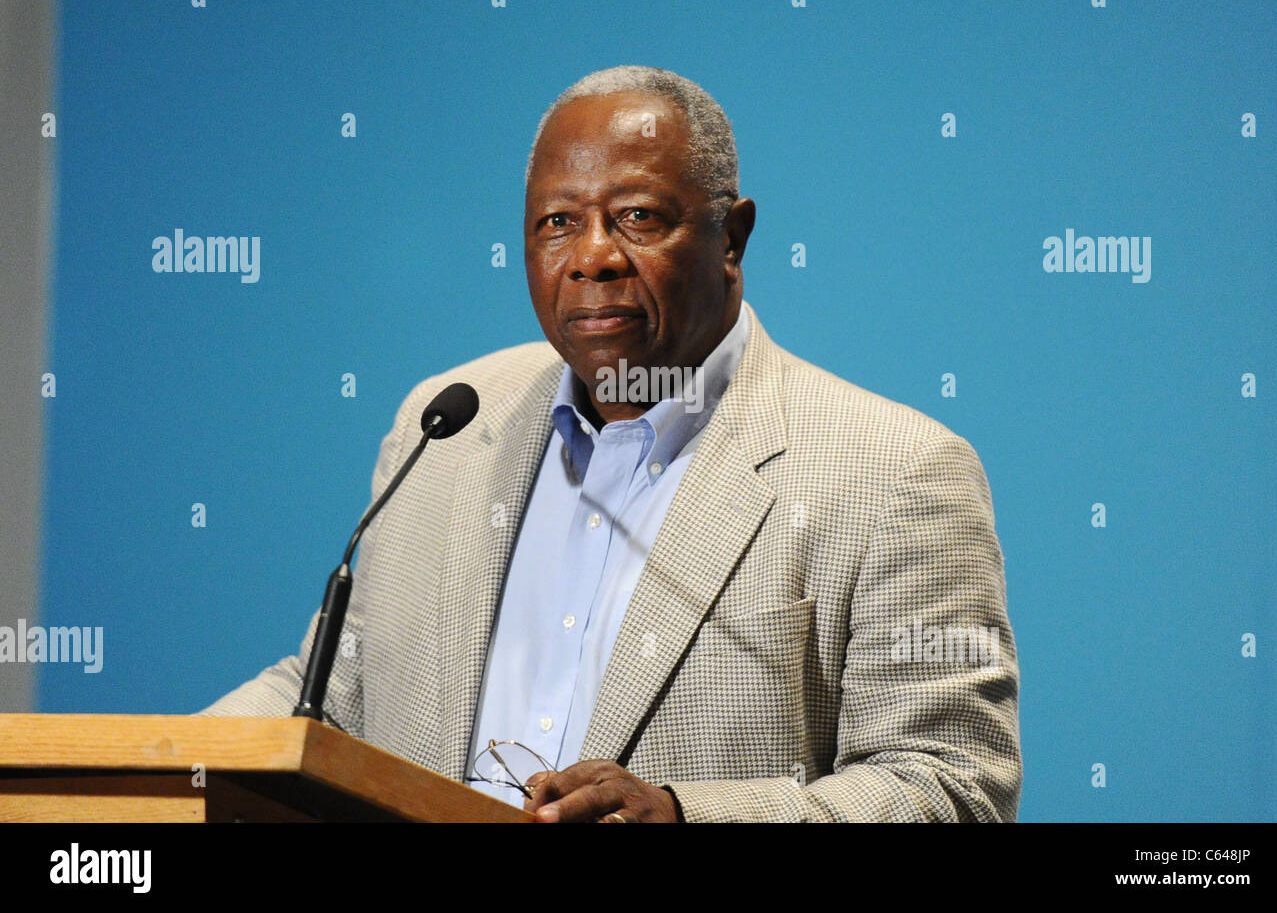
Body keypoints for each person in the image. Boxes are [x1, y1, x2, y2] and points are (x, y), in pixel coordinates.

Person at [203, 65, 1021, 823]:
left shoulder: (895, 472)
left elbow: (948, 783)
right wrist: (145, 765)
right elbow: (331, 697)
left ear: (731, 239)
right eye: (558, 223)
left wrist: (683, 814)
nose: (592, 257)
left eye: (636, 217)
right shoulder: (446, 423)